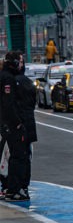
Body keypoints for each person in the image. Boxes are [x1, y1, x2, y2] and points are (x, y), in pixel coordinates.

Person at [0, 51, 37, 202]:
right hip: (14, 125)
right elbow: (10, 105)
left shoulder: (8, 77)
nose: (22, 65)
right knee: (19, 156)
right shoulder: (9, 79)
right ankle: (15, 189)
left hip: (8, 124)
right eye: (20, 62)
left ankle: (11, 188)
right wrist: (17, 123)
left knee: (14, 156)